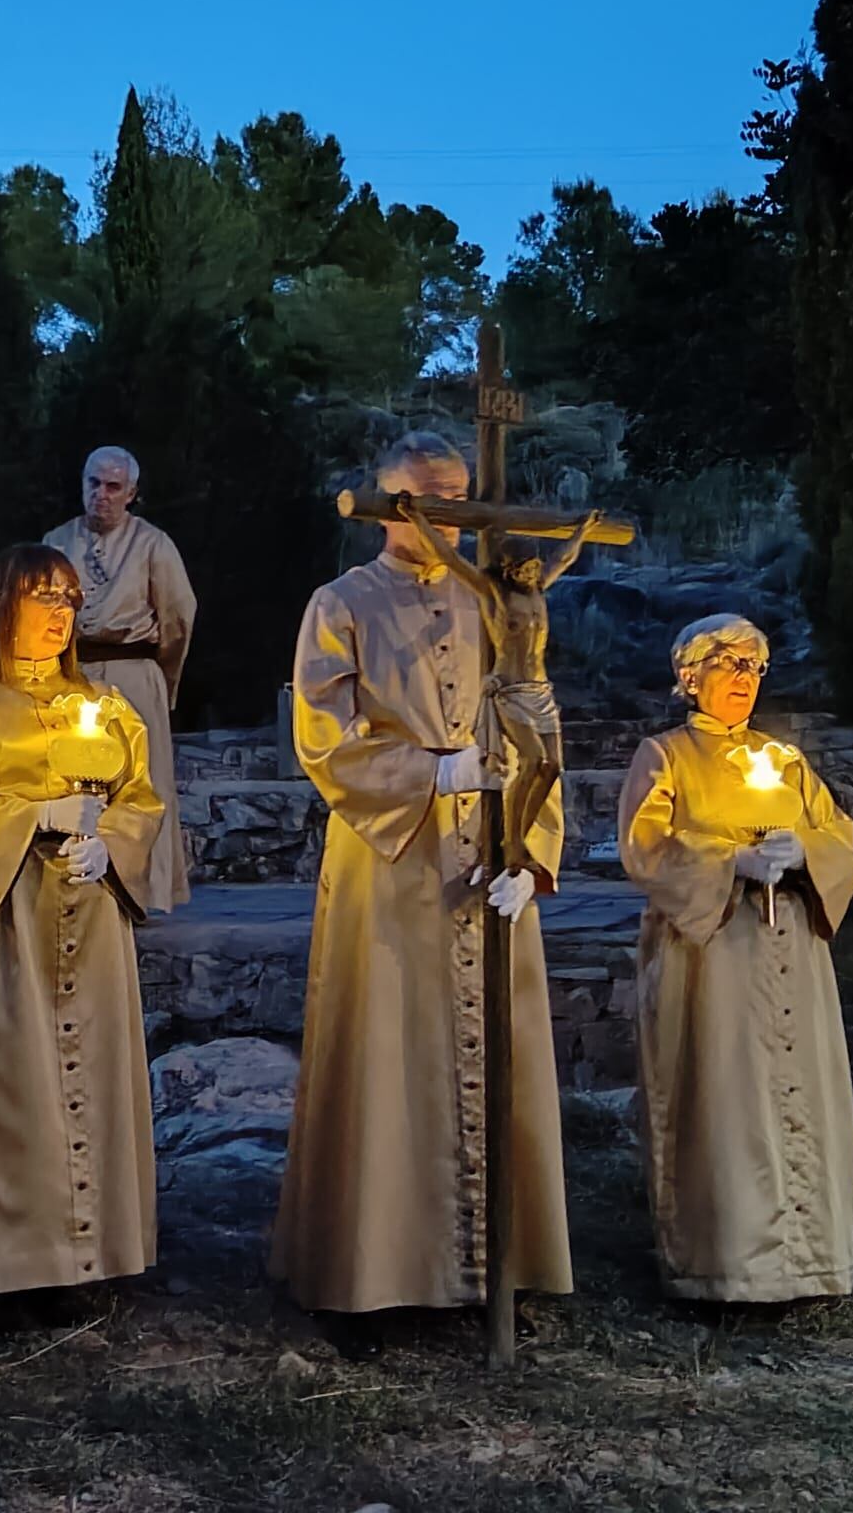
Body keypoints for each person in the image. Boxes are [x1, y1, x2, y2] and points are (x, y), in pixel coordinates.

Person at [270, 431, 573, 1358]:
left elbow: (532, 713)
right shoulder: (341, 603)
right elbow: (322, 731)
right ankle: (376, 1275)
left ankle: (497, 1265)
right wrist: (427, 773)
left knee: (499, 1051)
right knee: (385, 1050)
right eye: (425, 500)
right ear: (388, 501)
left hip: (489, 854)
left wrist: (535, 843)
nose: (444, 516)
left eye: (458, 497)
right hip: (389, 858)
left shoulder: (499, 602)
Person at [0, 544, 165, 1318]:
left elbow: (142, 798)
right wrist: (35, 819)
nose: (61, 611)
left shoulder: (108, 708)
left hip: (91, 920)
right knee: (4, 1082)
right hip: (5, 921)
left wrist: (112, 842)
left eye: (67, 597)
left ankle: (86, 1260)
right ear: (2, 606)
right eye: (41, 596)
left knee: (90, 1078)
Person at [617, 614, 853, 1303]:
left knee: (798, 1093)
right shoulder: (665, 756)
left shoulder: (783, 761)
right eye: (728, 666)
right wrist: (733, 862)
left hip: (793, 955)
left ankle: (810, 1262)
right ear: (690, 678)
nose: (743, 681)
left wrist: (805, 854)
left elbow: (836, 836)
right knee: (723, 1097)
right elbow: (647, 848)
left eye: (754, 668)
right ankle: (725, 1266)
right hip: (713, 958)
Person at [399, 496, 600, 872]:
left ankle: (518, 840)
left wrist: (582, 530)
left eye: (534, 568)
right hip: (509, 691)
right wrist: (417, 518)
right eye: (523, 569)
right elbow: (451, 557)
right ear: (508, 569)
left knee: (553, 766)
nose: (530, 574)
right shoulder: (495, 594)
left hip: (540, 692)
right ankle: (512, 843)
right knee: (531, 760)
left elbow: (565, 559)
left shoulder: (539, 589)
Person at [44, 446, 197, 911]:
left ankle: (147, 889)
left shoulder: (153, 544)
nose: (102, 495)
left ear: (131, 493)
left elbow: (178, 618)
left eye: (113, 487)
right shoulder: (56, 541)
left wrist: (159, 679)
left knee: (141, 782)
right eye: (94, 484)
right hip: (70, 674)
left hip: (133, 671)